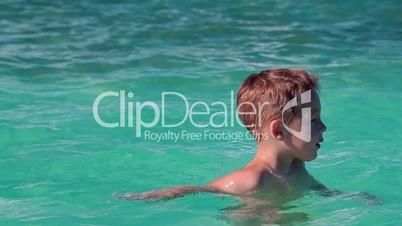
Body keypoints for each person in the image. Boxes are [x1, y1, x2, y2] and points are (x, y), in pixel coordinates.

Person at [113, 69, 380, 204]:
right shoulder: (253, 179)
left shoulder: (298, 169)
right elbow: (204, 190)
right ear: (278, 130)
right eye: (312, 120)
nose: (323, 127)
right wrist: (143, 197)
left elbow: (320, 191)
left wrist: (350, 197)